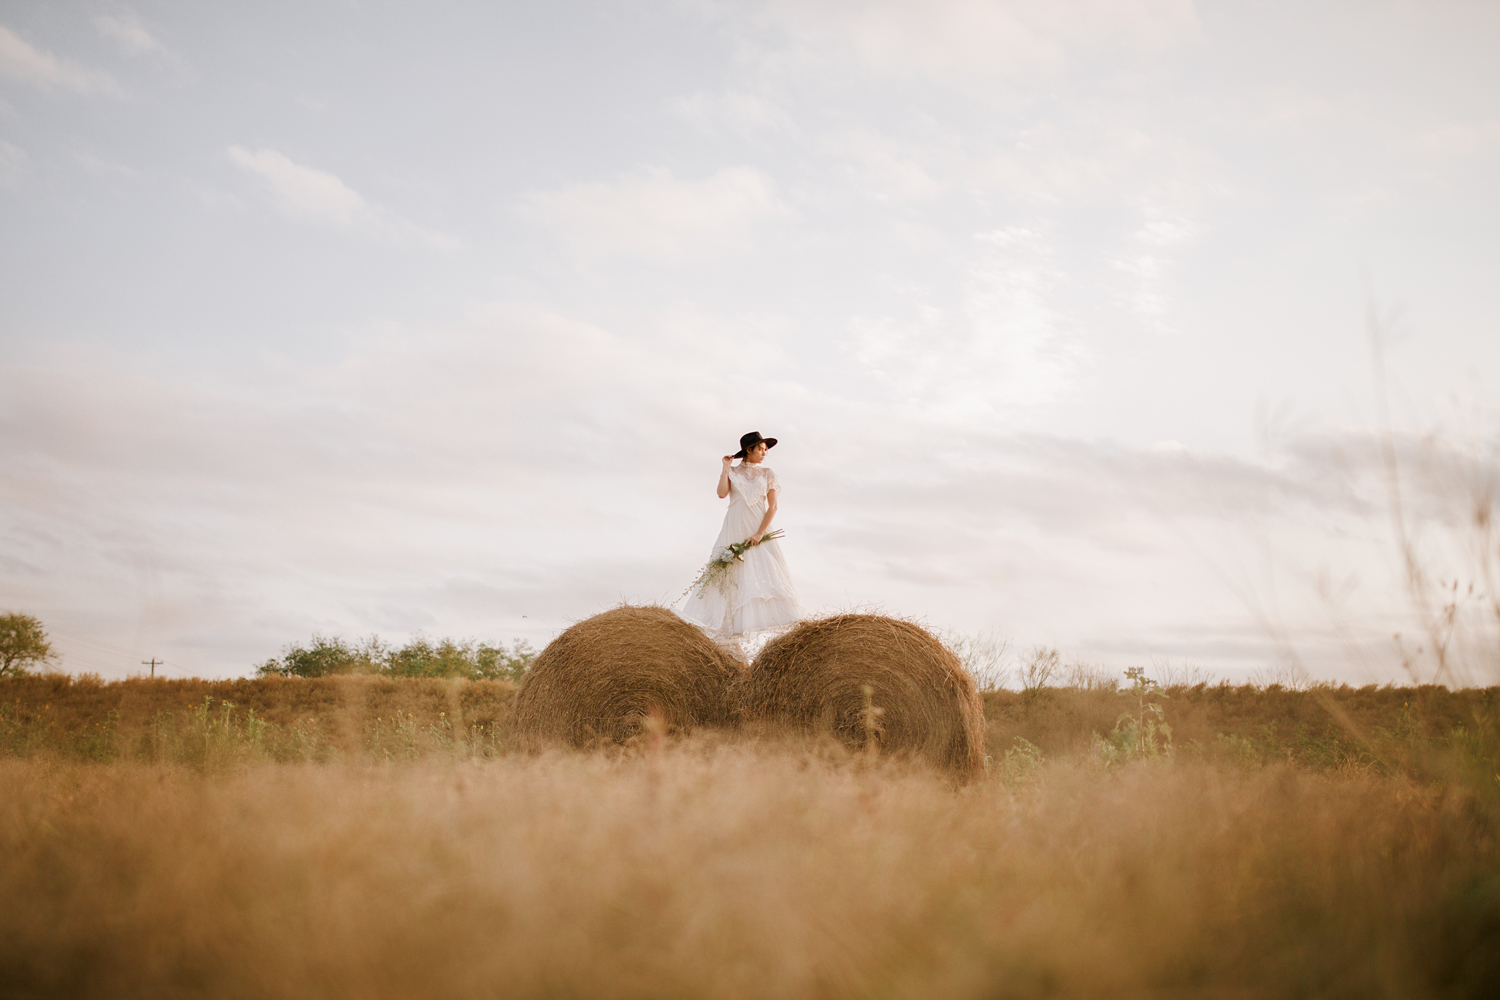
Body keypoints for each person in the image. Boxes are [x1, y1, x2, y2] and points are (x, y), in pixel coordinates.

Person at [679, 431, 807, 654]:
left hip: (757, 527)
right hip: (734, 527)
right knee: (729, 577)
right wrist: (725, 468)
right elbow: (721, 494)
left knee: (762, 574)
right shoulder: (734, 472)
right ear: (749, 450)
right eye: (761, 449)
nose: (764, 454)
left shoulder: (768, 473)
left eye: (766, 450)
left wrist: (759, 533)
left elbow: (773, 507)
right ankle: (732, 642)